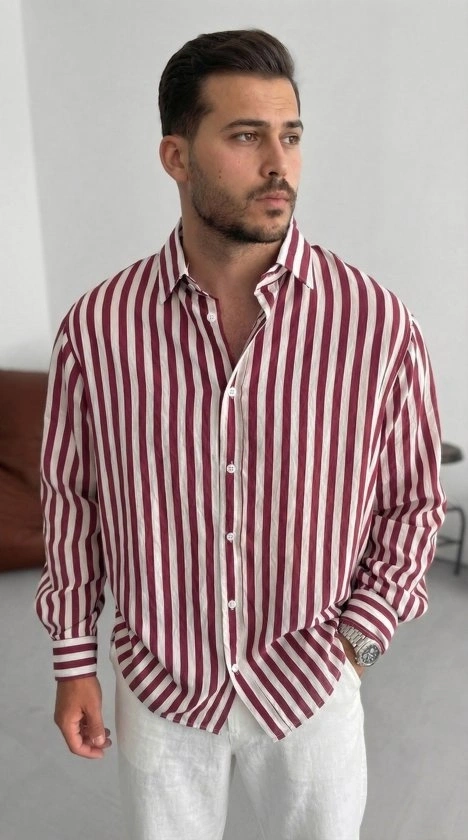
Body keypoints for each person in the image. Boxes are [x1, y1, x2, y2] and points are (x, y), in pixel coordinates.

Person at [35, 29, 446, 840]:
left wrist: (357, 647)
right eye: (246, 136)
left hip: (311, 687)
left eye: (290, 136)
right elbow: (71, 502)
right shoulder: (99, 329)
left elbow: (413, 504)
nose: (278, 165)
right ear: (176, 157)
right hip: (161, 687)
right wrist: (74, 660)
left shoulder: (374, 325)